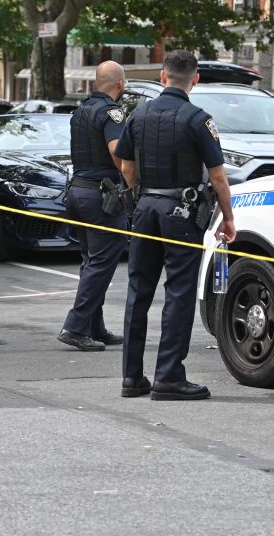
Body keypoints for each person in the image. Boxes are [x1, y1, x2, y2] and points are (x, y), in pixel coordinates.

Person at [114, 50, 236, 401]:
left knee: (139, 292)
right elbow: (218, 176)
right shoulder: (198, 119)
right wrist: (228, 218)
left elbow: (125, 165)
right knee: (179, 292)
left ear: (162, 76)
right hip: (181, 212)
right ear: (195, 79)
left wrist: (140, 194)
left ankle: (132, 377)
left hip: (146, 208)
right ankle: (168, 376)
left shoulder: (139, 114)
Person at [57, 61, 129, 352]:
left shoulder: (81, 111)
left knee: (91, 261)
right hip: (102, 197)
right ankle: (75, 326)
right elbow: (116, 153)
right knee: (102, 262)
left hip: (78, 193)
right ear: (120, 84)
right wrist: (132, 180)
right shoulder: (113, 112)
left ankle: (93, 325)